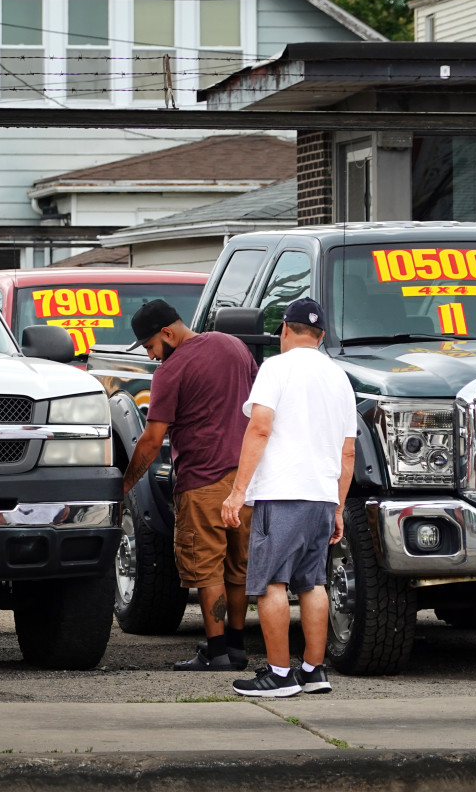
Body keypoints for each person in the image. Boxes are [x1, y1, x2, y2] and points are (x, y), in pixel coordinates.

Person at [220, 298, 357, 697]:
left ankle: (280, 675)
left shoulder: (275, 368)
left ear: (284, 329)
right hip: (320, 497)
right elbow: (348, 451)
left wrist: (238, 491)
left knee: (270, 585)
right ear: (321, 336)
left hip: (281, 494)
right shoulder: (339, 378)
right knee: (313, 583)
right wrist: (337, 505)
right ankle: (314, 671)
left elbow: (259, 428)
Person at [123, 299, 258, 671]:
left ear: (167, 333)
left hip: (202, 482)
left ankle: (215, 653)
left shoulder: (171, 370)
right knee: (238, 567)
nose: (151, 356)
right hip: (246, 481)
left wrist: (124, 485)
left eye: (150, 346)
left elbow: (151, 440)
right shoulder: (234, 346)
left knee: (207, 567)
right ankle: (235, 648)